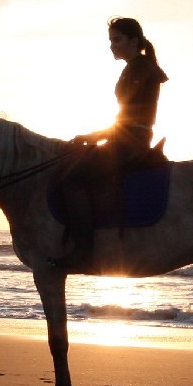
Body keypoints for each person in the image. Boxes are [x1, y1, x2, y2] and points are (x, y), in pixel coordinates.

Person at [53, 17, 167, 270]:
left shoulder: (140, 68)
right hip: (126, 137)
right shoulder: (136, 67)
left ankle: (83, 250)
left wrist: (96, 136)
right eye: (111, 41)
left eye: (117, 40)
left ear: (133, 40)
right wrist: (95, 135)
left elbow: (128, 119)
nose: (112, 46)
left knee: (72, 181)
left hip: (129, 143)